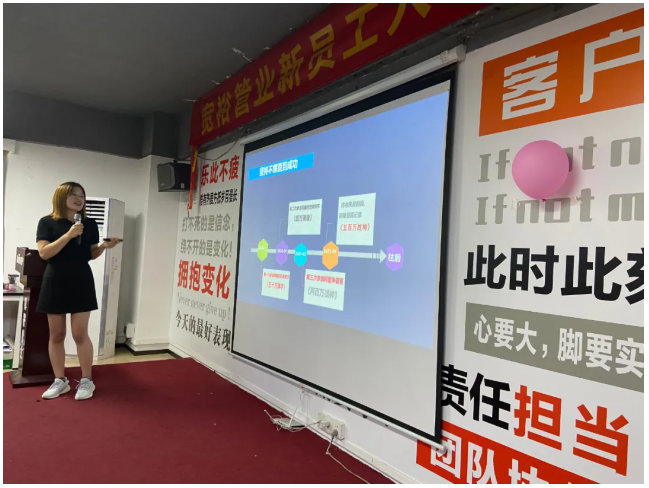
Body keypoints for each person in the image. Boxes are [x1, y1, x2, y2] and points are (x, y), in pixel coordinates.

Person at [36, 182, 121, 401]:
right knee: (57, 334)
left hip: (81, 279)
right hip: (55, 279)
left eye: (82, 195)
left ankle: (86, 380)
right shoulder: (47, 222)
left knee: (79, 333)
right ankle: (60, 381)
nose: (79, 198)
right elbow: (44, 253)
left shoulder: (89, 223)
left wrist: (104, 247)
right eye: (73, 194)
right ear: (61, 197)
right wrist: (68, 235)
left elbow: (90, 254)